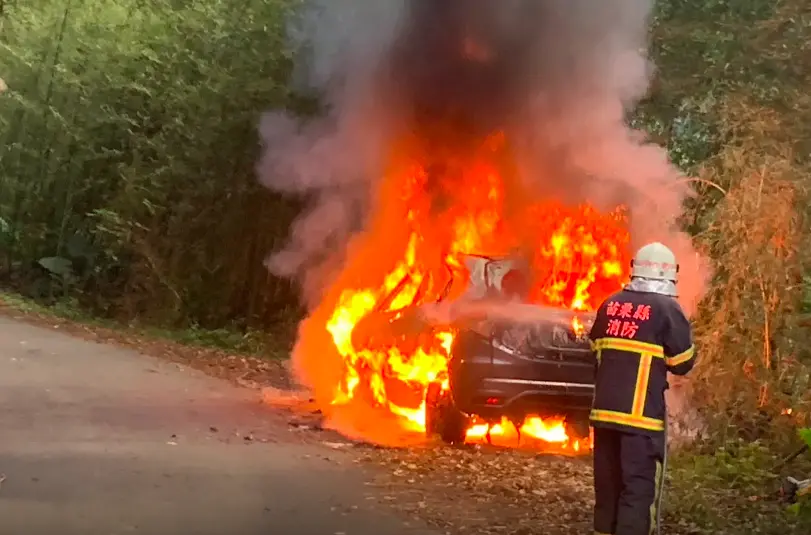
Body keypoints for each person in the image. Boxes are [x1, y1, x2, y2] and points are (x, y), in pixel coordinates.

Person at [588, 242, 697, 535]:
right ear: (670, 274)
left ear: (634, 269)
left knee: (608, 489)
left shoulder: (610, 304)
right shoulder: (667, 309)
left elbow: (594, 348)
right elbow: (682, 362)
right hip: (641, 421)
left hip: (604, 416)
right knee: (636, 490)